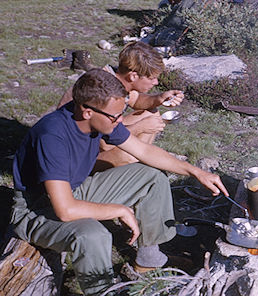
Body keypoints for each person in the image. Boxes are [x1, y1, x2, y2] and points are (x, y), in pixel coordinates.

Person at [12, 68, 229, 296]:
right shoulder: (52, 135)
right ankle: (105, 291)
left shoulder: (102, 119)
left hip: (73, 190)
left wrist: (196, 172)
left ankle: (148, 260)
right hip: (36, 210)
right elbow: (65, 210)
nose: (120, 121)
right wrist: (121, 210)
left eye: (121, 113)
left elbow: (144, 151)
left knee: (152, 176)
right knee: (93, 236)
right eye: (115, 116)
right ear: (87, 111)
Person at [58, 41, 184, 172]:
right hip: (76, 157)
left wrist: (159, 98)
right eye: (152, 78)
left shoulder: (114, 77)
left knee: (151, 114)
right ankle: (130, 167)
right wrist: (140, 127)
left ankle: (140, 159)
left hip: (96, 139)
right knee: (130, 153)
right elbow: (105, 144)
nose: (156, 82)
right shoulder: (103, 91)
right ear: (133, 76)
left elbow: (135, 101)